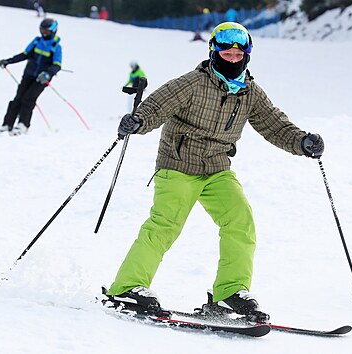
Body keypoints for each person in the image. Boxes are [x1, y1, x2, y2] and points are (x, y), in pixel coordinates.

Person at [104, 22, 325, 321]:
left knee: (240, 220)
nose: (232, 60)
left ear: (246, 56)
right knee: (164, 226)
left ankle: (230, 291)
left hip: (217, 168)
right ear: (213, 52)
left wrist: (302, 141)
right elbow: (157, 105)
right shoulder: (193, 83)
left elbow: (275, 125)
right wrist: (138, 121)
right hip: (179, 165)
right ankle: (127, 287)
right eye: (226, 54)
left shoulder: (250, 93)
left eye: (238, 55)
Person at [0, 18, 62, 135]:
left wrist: (48, 74)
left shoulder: (56, 46)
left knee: (29, 98)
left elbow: (57, 65)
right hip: (29, 75)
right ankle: (7, 125)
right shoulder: (37, 41)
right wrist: (8, 61)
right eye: (42, 31)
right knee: (18, 98)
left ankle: (23, 125)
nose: (43, 34)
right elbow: (24, 55)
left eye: (46, 31)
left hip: (41, 79)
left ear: (53, 31)